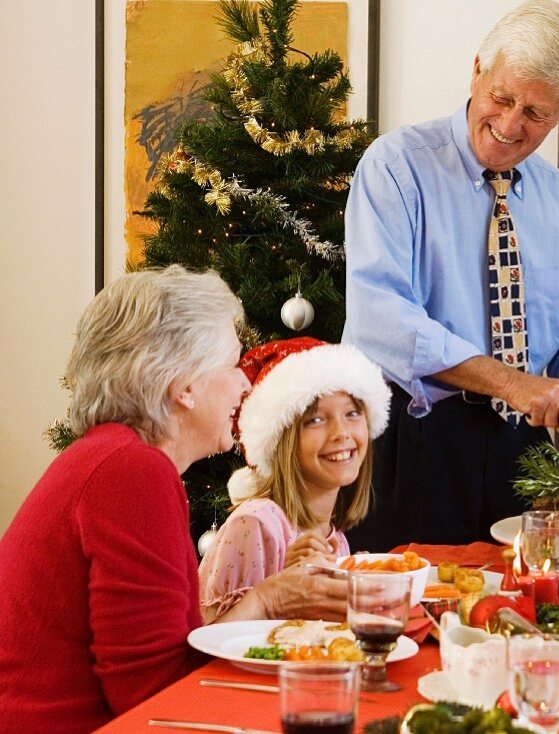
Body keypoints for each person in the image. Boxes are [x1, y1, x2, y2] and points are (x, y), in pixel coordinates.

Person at [342, 0, 559, 550]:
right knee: (409, 615)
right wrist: (511, 382)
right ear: (477, 70)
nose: (510, 124)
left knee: (516, 609)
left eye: (537, 113)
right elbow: (383, 319)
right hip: (412, 439)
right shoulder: (394, 166)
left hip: (524, 451)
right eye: (501, 97)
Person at [0, 267, 349, 732]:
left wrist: (272, 598)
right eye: (231, 365)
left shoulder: (116, 458)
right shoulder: (131, 471)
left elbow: (163, 660)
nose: (245, 385)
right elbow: (154, 697)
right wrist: (268, 602)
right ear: (183, 384)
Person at [198, 337, 391, 623]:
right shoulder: (255, 524)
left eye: (352, 413)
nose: (341, 433)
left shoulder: (335, 538)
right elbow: (209, 644)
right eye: (315, 420)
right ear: (282, 440)